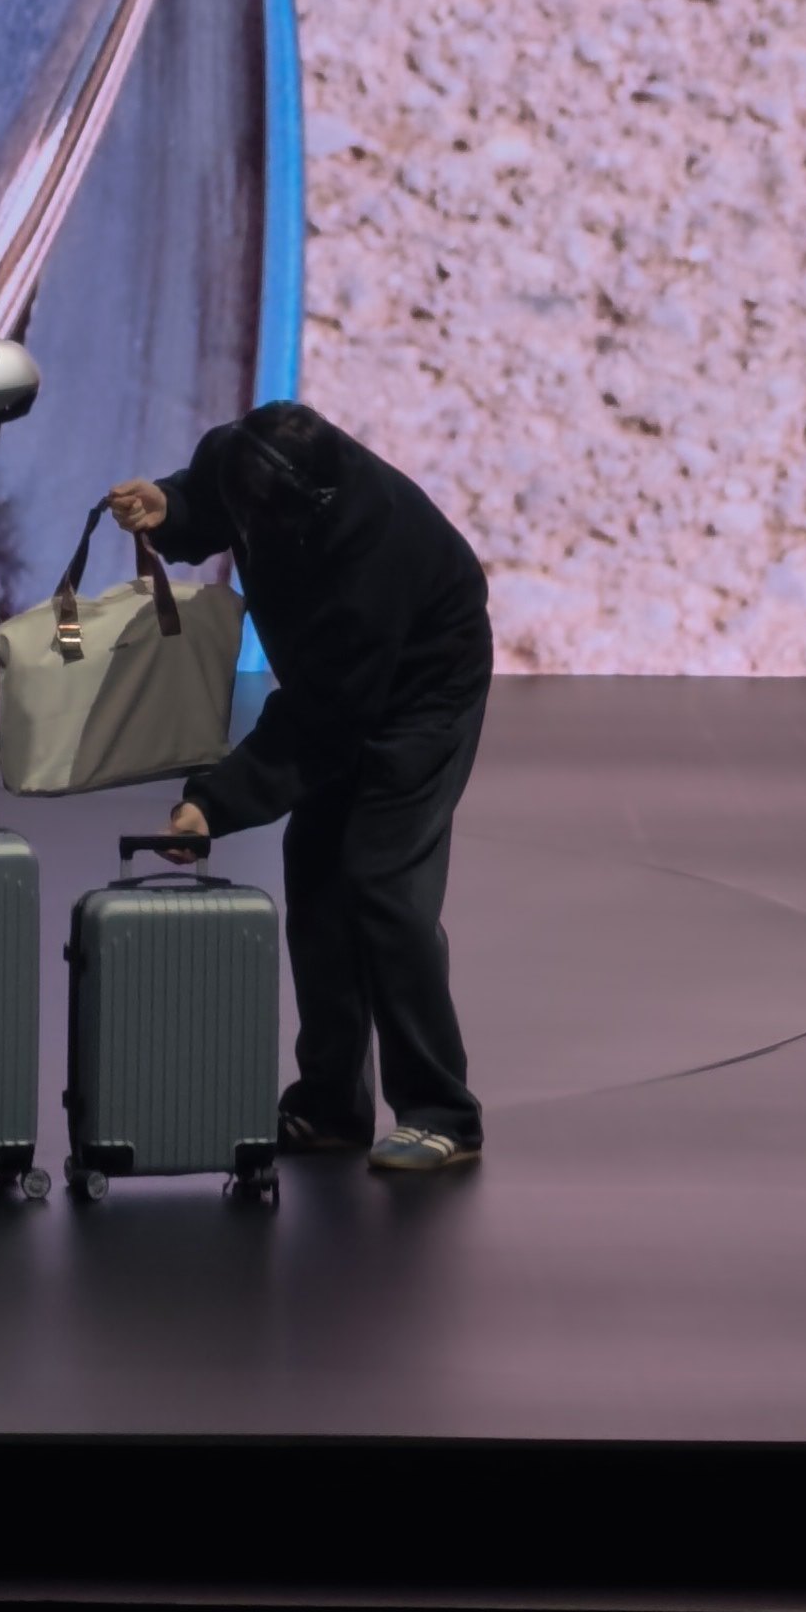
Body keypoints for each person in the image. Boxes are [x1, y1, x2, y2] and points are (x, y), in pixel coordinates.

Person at [107, 400, 491, 1174]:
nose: (252, 537)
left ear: (308, 509)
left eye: (263, 525)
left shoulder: (373, 551)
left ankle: (441, 1111)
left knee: (383, 886)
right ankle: (330, 1104)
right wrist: (171, 507)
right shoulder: (240, 456)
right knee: (315, 878)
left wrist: (212, 802)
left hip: (423, 693)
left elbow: (325, 721)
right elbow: (207, 503)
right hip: (336, 687)